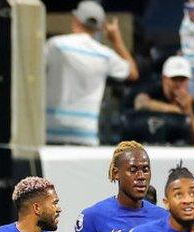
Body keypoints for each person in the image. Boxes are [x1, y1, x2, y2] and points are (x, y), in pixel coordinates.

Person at [46, 1, 139, 145]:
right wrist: (116, 39)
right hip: (85, 134)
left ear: (75, 19)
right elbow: (133, 73)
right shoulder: (104, 55)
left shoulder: (56, 45)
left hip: (52, 131)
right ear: (101, 27)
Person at [133, 56, 194, 146]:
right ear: (164, 78)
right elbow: (140, 102)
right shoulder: (154, 90)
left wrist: (189, 112)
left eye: (182, 79)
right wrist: (175, 109)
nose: (178, 84)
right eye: (174, 79)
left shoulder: (190, 102)